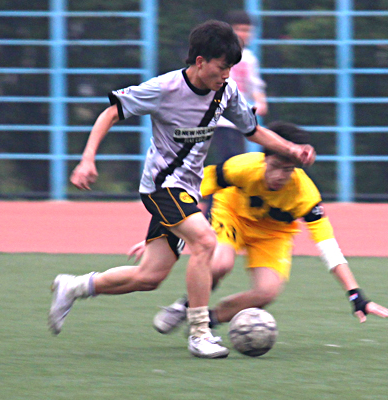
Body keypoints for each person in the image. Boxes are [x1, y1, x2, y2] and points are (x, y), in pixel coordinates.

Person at [47, 21, 315, 359]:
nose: (226, 75)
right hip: (161, 187)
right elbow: (110, 113)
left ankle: (75, 286)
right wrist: (87, 159)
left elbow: (253, 130)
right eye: (222, 67)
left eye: (230, 68)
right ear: (200, 61)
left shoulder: (226, 91)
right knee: (205, 241)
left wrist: (291, 149)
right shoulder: (164, 88)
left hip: (187, 191)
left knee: (149, 277)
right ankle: (200, 332)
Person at [130, 121, 388, 336]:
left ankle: (207, 321)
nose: (280, 176)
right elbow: (184, 192)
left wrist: (356, 295)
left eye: (288, 170)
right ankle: (187, 306)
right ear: (264, 159)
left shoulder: (306, 195)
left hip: (273, 235)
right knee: (220, 264)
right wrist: (163, 232)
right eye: (275, 167)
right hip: (232, 216)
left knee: (267, 292)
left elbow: (328, 247)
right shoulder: (243, 167)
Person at [204, 10, 268, 215]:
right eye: (239, 29)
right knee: (230, 164)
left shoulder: (249, 59)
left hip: (237, 121)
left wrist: (260, 101)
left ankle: (218, 210)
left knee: (232, 165)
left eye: (247, 30)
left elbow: (254, 84)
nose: (243, 34)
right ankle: (213, 211)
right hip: (218, 120)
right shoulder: (217, 56)